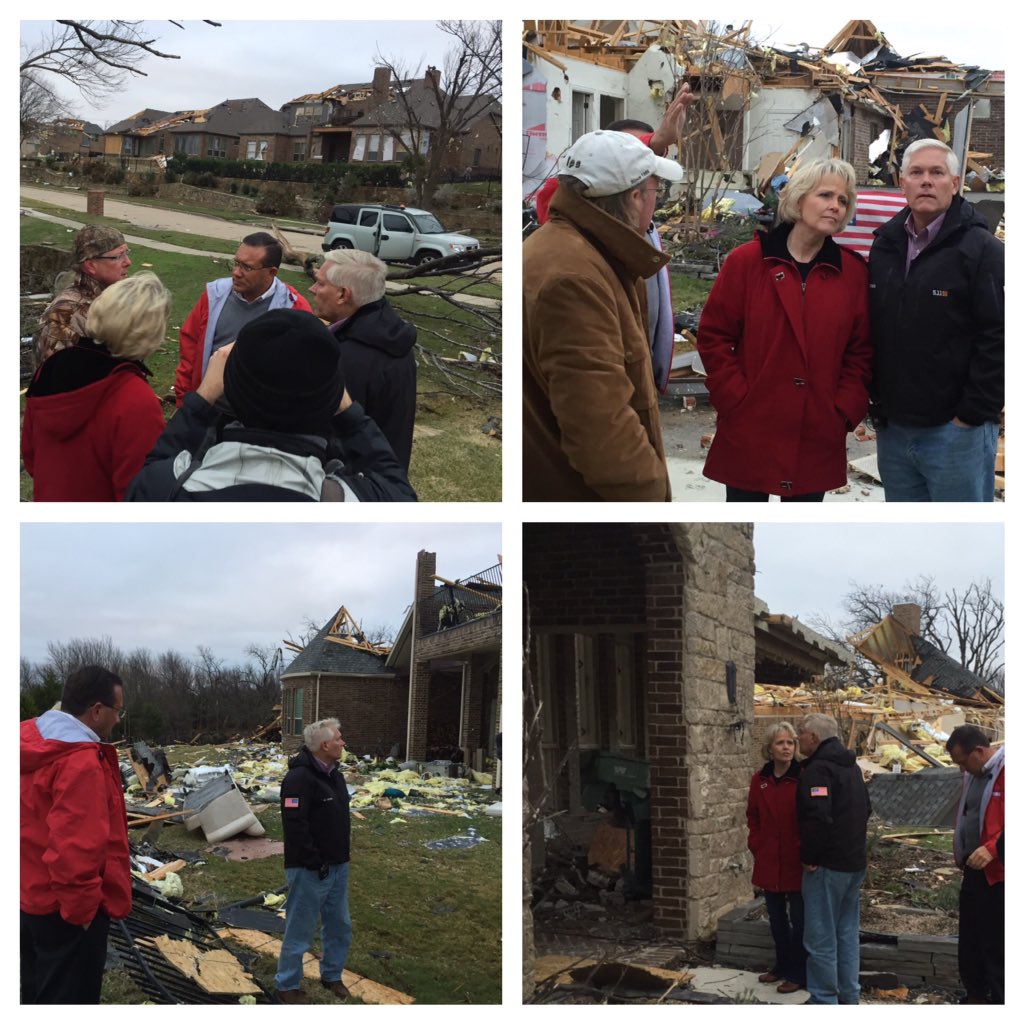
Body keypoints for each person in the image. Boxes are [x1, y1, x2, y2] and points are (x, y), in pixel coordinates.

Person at [697, 158, 872, 501]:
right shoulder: (747, 262)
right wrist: (734, 397)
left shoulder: (853, 273)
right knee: (744, 525)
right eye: (825, 195)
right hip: (751, 424)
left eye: (843, 200)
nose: (835, 206)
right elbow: (714, 337)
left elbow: (861, 351)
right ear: (798, 198)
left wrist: (842, 411)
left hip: (818, 429)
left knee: (802, 530)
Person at [523, 129, 683, 500]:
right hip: (580, 501)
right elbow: (603, 436)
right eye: (655, 191)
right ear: (634, 197)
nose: (656, 205)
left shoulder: (577, 249)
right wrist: (655, 507)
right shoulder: (575, 279)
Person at [126, 308, 416, 501]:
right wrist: (349, 414)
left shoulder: (165, 489)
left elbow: (154, 467)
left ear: (232, 390)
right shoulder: (355, 499)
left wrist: (202, 399)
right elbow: (397, 484)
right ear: (331, 399)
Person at [532, 88, 694, 392]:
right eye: (630, 158)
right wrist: (655, 143)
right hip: (618, 395)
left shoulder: (644, 234)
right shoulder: (575, 254)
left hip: (640, 384)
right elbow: (558, 193)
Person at [868, 139, 1004, 501]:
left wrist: (971, 415)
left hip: (955, 434)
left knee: (961, 534)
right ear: (902, 184)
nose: (926, 181)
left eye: (936, 172)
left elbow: (1000, 336)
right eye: (916, 172)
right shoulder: (884, 247)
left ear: (955, 183)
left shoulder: (982, 250)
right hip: (894, 430)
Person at [20, 666, 131, 1004]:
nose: (117, 720)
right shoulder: (79, 763)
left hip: (27, 897)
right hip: (65, 911)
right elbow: (76, 852)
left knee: (36, 990)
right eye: (117, 711)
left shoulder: (27, 741)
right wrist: (81, 917)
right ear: (97, 711)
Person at [22, 273, 170, 501]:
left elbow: (31, 455)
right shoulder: (135, 398)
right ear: (150, 333)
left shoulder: (51, 368)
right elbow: (139, 493)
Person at [173, 231, 312, 406]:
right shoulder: (213, 296)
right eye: (236, 263)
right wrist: (183, 401)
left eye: (247, 267)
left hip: (257, 422)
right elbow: (189, 350)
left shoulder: (294, 309)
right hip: (207, 411)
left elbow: (302, 370)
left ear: (271, 272)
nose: (236, 273)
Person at [310, 249, 416, 469]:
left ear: (343, 295)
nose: (312, 289)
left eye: (320, 284)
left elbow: (332, 433)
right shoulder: (391, 336)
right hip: (386, 475)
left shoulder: (349, 357)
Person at [795, 713, 871, 1004]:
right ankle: (849, 998)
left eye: (801, 733)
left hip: (827, 866)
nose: (799, 737)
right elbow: (866, 808)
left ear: (814, 738)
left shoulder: (818, 770)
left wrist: (809, 856)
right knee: (846, 935)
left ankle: (824, 1000)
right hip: (854, 864)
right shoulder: (851, 767)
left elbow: (817, 817)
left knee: (820, 938)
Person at [276, 718, 353, 1004]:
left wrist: (338, 860)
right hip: (310, 869)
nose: (343, 742)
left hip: (338, 866)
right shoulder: (298, 779)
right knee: (300, 928)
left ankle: (331, 974)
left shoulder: (335, 775)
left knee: (339, 925)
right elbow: (295, 826)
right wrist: (314, 862)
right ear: (324, 745)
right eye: (339, 738)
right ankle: (287, 985)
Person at [746, 722, 806, 994]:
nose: (787, 748)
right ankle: (781, 965)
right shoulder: (760, 780)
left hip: (797, 859)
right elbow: (753, 815)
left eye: (791, 743)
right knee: (776, 918)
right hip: (769, 858)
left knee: (800, 920)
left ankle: (798, 972)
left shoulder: (803, 776)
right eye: (781, 743)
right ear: (770, 748)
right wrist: (756, 843)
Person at [946, 724, 1004, 1004]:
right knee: (971, 940)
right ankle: (976, 996)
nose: (962, 770)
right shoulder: (973, 775)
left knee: (997, 943)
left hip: (1000, 873)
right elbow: (968, 814)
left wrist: (994, 848)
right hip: (973, 869)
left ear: (979, 751)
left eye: (963, 762)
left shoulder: (1007, 773)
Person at [35, 225, 132, 364]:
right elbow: (56, 378)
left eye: (126, 253)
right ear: (91, 266)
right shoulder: (65, 315)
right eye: (118, 256)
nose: (128, 262)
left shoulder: (110, 297)